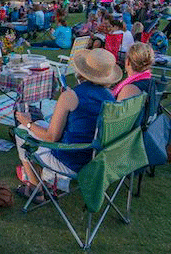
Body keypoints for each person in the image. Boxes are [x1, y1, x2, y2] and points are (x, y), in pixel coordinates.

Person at [12, 49, 120, 202]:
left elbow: (51, 137)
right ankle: (47, 183)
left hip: (68, 159)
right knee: (40, 124)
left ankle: (36, 189)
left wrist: (27, 123)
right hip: (95, 159)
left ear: (82, 70)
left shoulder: (71, 96)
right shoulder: (110, 97)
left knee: (21, 131)